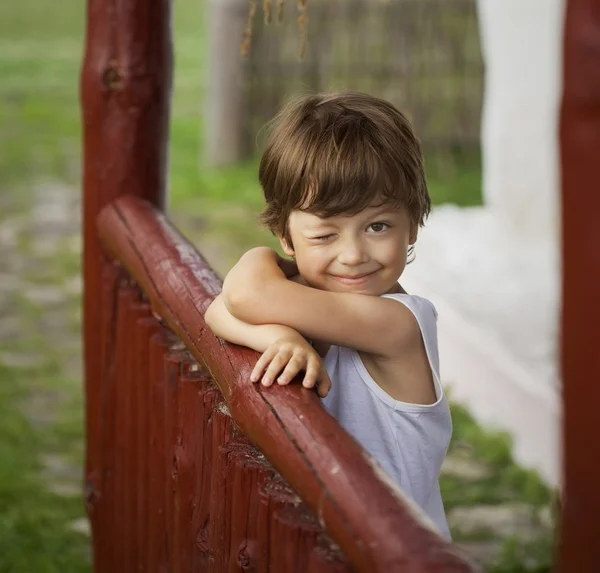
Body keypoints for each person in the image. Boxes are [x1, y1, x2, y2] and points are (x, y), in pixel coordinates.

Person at [205, 91, 452, 539]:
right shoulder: (312, 302)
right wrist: (279, 339)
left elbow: (243, 292)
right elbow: (217, 309)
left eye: (378, 226)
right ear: (287, 235)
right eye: (325, 234)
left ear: (413, 222)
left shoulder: (398, 324)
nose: (354, 255)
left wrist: (263, 272)